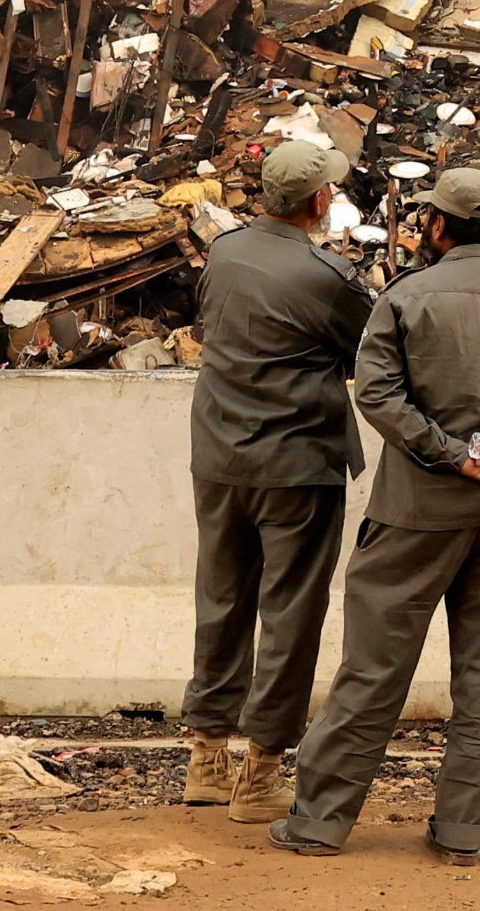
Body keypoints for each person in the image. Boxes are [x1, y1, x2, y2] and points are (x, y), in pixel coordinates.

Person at [272, 164, 480, 863]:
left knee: (373, 670)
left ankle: (320, 822)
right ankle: (460, 833)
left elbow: (380, 395)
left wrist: (450, 453)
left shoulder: (405, 298)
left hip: (416, 513)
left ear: (439, 225)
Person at [180, 135, 370, 826]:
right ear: (318, 200)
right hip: (298, 465)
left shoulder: (224, 251)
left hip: (220, 456)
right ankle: (259, 772)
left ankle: (205, 755)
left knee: (222, 597)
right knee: (289, 612)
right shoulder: (329, 276)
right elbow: (372, 349)